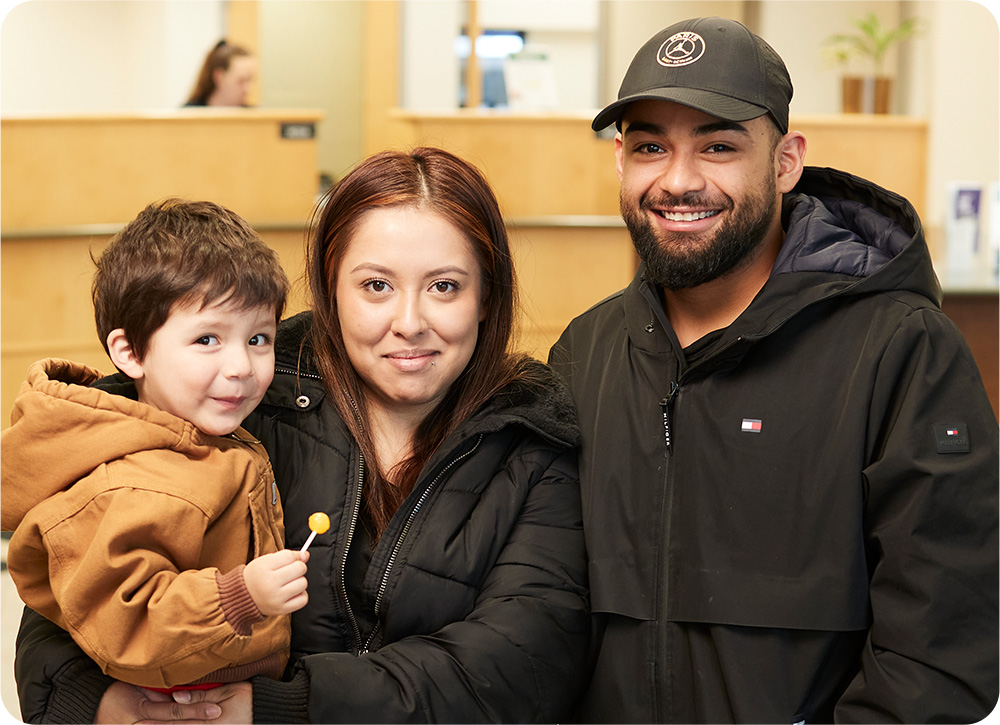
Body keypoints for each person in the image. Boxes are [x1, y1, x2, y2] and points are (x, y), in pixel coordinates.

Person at [13, 147, 591, 723]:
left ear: (486, 297)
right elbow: (80, 592)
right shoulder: (242, 395)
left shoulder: (533, 429)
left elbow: (524, 661)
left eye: (444, 287)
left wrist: (281, 709)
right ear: (330, 289)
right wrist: (98, 704)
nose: (409, 321)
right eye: (376, 287)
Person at [547, 16, 1000, 723]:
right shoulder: (585, 354)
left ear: (785, 162)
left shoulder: (902, 352)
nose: (678, 180)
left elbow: (941, 657)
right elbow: (546, 614)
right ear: (619, 161)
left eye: (719, 146)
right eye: (649, 147)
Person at [1, 199, 306, 692]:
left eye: (259, 339)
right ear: (130, 352)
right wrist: (239, 596)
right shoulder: (132, 481)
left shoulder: (206, 438)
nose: (241, 367)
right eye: (207, 339)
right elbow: (128, 622)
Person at [184, 40, 256, 107]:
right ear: (219, 77)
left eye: (250, 80)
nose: (248, 89)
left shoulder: (257, 117)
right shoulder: (186, 115)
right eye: (241, 81)